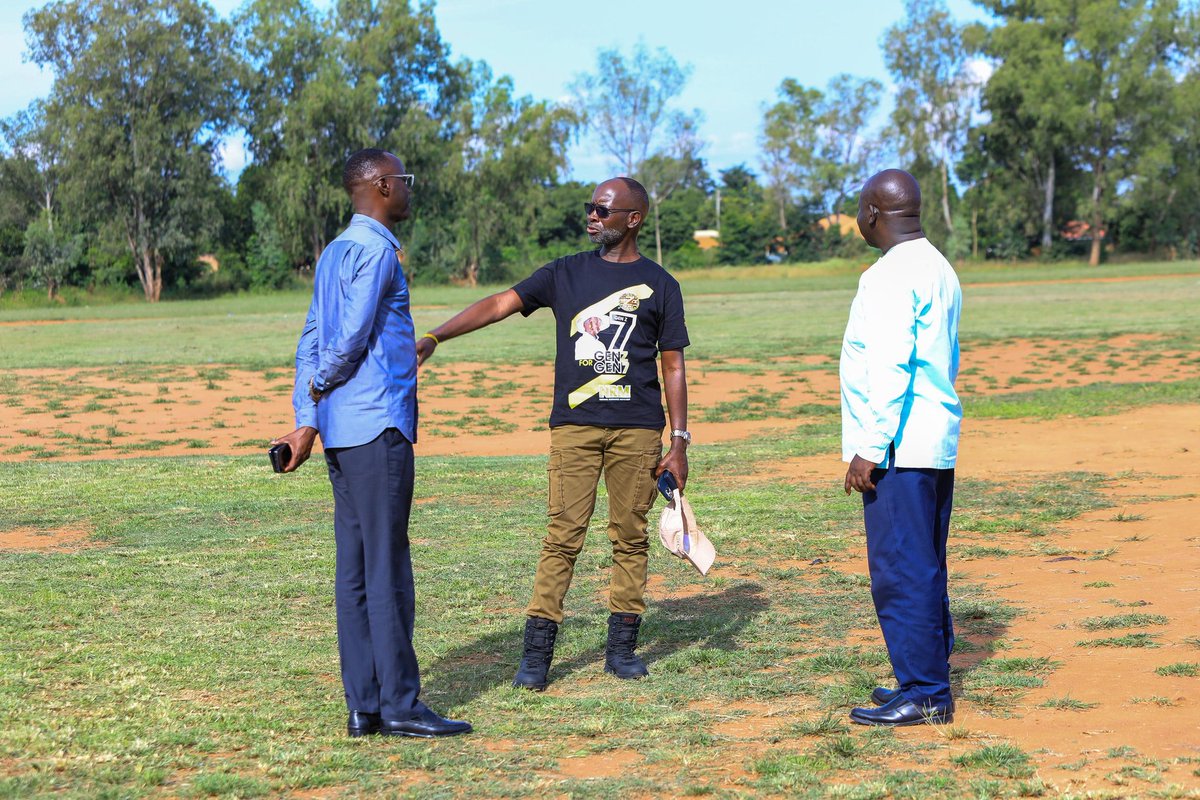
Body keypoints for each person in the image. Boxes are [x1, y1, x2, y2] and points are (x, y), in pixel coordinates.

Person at [416, 177, 690, 691]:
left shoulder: (661, 285)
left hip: (637, 431)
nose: (591, 216)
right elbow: (501, 302)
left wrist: (679, 442)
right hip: (575, 430)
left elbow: (672, 366)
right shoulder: (565, 273)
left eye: (603, 210)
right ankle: (537, 656)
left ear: (633, 219)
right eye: (589, 208)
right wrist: (436, 335)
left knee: (629, 539)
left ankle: (621, 650)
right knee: (562, 539)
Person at [271, 148, 472, 739]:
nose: (409, 188)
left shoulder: (333, 252)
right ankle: (403, 705)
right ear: (382, 186)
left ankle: (365, 706)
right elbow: (349, 338)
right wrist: (320, 385)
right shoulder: (379, 252)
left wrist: (309, 416)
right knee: (387, 570)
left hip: (339, 432)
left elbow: (310, 335)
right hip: (378, 427)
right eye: (403, 180)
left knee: (355, 570)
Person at [840, 169, 963, 727]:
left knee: (900, 567)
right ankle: (923, 670)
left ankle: (927, 692)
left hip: (899, 446)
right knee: (925, 562)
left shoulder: (889, 275)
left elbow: (890, 367)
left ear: (871, 213)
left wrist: (869, 446)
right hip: (932, 439)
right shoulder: (938, 265)